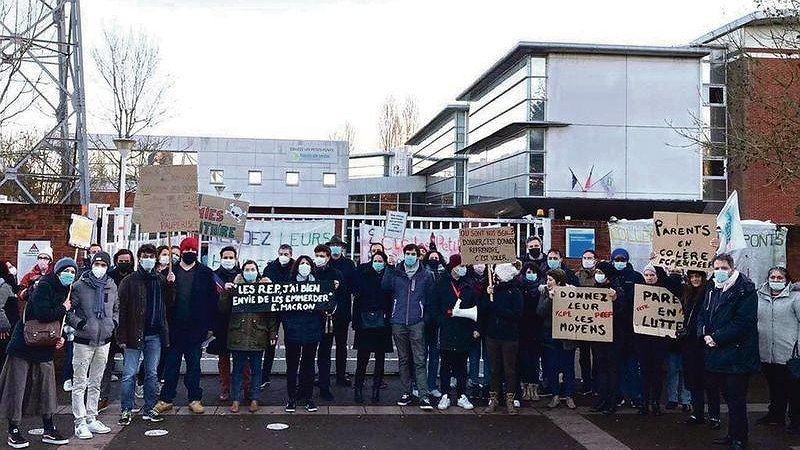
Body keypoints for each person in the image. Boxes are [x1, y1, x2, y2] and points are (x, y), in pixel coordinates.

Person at [0, 257, 76, 448]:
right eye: (67, 271)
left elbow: (58, 320)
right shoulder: (44, 285)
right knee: (16, 389)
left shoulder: (66, 290)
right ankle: (14, 430)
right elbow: (42, 313)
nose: (70, 275)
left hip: (45, 346)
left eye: (73, 272)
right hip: (24, 345)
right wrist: (63, 308)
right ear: (57, 271)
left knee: (47, 389)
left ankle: (49, 428)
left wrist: (60, 335)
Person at [698, 253, 759, 450]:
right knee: (728, 398)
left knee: (736, 400)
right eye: (716, 268)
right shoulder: (712, 288)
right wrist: (704, 333)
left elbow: (743, 323)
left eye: (723, 268)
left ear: (732, 268)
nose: (720, 271)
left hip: (737, 355)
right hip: (718, 354)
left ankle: (740, 438)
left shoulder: (745, 290)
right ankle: (732, 434)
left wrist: (717, 337)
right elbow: (704, 313)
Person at [154, 236, 217, 415]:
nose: (190, 253)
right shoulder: (169, 273)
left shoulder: (205, 273)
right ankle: (166, 399)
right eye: (186, 250)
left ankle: (194, 399)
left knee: (194, 366)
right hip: (174, 329)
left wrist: (210, 327)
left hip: (196, 330)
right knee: (171, 365)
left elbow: (212, 301)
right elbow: (162, 301)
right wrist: (168, 284)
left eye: (193, 250)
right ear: (181, 252)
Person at [117, 244, 171, 427]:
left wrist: (172, 284)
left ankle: (149, 408)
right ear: (139, 258)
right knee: (129, 374)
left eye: (151, 256)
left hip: (154, 335)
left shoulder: (161, 280)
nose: (148, 258)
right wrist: (122, 337)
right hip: (133, 334)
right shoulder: (129, 281)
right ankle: (126, 409)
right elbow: (121, 310)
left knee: (152, 374)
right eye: (145, 255)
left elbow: (169, 303)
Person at [67, 252, 117, 440]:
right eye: (97, 263)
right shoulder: (79, 286)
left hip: (104, 340)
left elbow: (116, 307)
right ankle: (79, 421)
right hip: (83, 340)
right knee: (80, 382)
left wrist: (113, 324)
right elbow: (69, 310)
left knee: (96, 382)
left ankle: (91, 416)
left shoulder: (111, 286)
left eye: (103, 264)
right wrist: (80, 324)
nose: (100, 267)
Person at [382, 243, 437, 410]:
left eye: (413, 253)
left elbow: (431, 299)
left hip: (417, 321)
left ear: (418, 256)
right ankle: (406, 392)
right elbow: (385, 286)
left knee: (420, 359)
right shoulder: (396, 273)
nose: (410, 256)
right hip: (398, 321)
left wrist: (424, 318)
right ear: (403, 254)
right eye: (408, 253)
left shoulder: (426, 275)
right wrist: (389, 268)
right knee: (404, 359)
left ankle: (423, 395)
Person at [219, 260, 278, 413]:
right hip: (238, 335)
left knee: (256, 370)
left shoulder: (264, 289)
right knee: (237, 370)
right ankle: (236, 399)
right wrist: (226, 292)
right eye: (247, 269)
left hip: (258, 335)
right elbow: (223, 309)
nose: (250, 271)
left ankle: (254, 398)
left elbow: (271, 315)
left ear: (257, 271)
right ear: (242, 272)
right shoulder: (235, 288)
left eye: (253, 269)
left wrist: (272, 333)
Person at [281, 256, 335, 413]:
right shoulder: (289, 284)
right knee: (292, 366)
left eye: (307, 264)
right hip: (293, 331)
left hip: (312, 330)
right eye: (302, 263)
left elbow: (327, 306)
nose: (304, 266)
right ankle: (291, 399)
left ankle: (308, 398)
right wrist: (289, 326)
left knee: (309, 365)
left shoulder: (318, 285)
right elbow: (282, 309)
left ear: (312, 267)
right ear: (297, 266)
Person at [756, 266, 800, 432]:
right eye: (772, 277)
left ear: (786, 280)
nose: (775, 280)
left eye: (779, 278)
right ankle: (775, 415)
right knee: (774, 386)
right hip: (767, 351)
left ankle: (796, 421)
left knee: (793, 390)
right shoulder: (759, 296)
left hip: (789, 353)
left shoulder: (795, 298)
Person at [634, 263, 681, 416]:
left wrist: (660, 265)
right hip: (642, 339)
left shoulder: (665, 289)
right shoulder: (638, 290)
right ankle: (644, 402)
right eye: (647, 275)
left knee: (657, 372)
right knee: (644, 372)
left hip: (660, 339)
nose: (649, 278)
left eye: (652, 275)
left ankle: (655, 402)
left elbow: (676, 290)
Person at [434, 254, 477, 411]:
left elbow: (475, 306)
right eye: (460, 266)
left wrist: (474, 328)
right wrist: (444, 316)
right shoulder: (441, 284)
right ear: (452, 267)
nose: (463, 269)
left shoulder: (468, 285)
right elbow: (435, 305)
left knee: (461, 365)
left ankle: (461, 395)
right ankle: (445, 394)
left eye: (464, 266)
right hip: (447, 328)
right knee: (446, 364)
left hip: (463, 329)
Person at [351, 251, 393, 404]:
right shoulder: (363, 273)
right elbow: (356, 297)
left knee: (380, 359)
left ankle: (376, 390)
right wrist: (356, 322)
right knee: (362, 359)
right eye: (375, 260)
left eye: (381, 260)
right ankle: (358, 388)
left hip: (383, 323)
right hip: (365, 323)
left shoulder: (389, 275)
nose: (378, 262)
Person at [98, 248, 136, 409]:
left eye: (127, 261)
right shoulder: (108, 278)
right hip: (110, 327)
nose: (124, 264)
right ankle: (102, 397)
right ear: (115, 262)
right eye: (121, 261)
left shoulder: (136, 278)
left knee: (130, 368)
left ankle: (128, 400)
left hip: (129, 327)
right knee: (105, 365)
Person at [483, 263, 523, 415]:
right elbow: (484, 309)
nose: (495, 277)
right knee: (494, 369)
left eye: (497, 275)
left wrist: (497, 309)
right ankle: (493, 399)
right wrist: (487, 297)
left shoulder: (515, 292)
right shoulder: (492, 291)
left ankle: (510, 400)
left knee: (509, 370)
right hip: (493, 335)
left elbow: (517, 315)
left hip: (509, 337)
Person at [539, 268, 578, 410]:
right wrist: (550, 299)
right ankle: (555, 395)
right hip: (550, 336)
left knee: (568, 367)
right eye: (547, 279)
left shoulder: (572, 292)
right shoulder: (544, 292)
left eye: (550, 280)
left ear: (559, 281)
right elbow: (540, 312)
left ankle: (569, 396)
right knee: (552, 367)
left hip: (567, 336)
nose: (548, 282)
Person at [610, 248, 644, 409]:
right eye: (616, 259)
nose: (619, 261)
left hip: (632, 328)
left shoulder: (636, 277)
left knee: (632, 364)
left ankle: (635, 395)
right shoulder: (610, 276)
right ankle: (620, 395)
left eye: (622, 258)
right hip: (614, 327)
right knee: (617, 364)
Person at [208, 246, 242, 402]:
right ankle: (225, 388)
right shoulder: (214, 276)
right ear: (220, 258)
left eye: (231, 257)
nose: (228, 260)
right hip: (221, 323)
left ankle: (245, 388)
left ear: (236, 258)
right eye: (225, 257)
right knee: (223, 359)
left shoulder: (242, 275)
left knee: (243, 359)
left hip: (241, 323)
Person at [590, 261, 623, 415]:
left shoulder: (617, 290)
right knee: (601, 369)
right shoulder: (596, 289)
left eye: (601, 272)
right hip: (598, 336)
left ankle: (611, 401)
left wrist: (616, 299)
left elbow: (623, 311)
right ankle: (602, 399)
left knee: (612, 370)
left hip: (613, 337)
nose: (598, 275)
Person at [313, 244, 344, 401]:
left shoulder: (336, 273)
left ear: (328, 257)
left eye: (322, 256)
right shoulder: (310, 272)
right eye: (317, 255)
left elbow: (341, 296)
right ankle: (306, 384)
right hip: (311, 319)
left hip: (327, 319)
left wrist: (336, 288)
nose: (319, 259)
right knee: (308, 354)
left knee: (324, 354)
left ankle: (325, 387)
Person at [261, 244, 294, 389]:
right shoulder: (270, 267)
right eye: (281, 253)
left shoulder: (296, 267)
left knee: (291, 342)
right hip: (273, 310)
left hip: (289, 310)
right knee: (270, 343)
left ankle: (291, 375)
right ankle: (265, 376)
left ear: (291, 254)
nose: (283, 256)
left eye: (286, 254)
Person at [326, 236, 356, 388]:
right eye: (333, 245)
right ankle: (323, 376)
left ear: (342, 248)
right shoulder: (325, 262)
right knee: (324, 345)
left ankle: (340, 375)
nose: (336, 248)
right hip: (325, 312)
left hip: (343, 310)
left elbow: (353, 287)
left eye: (338, 245)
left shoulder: (349, 264)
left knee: (341, 345)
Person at [518, 261, 544, 402]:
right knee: (524, 358)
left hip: (537, 329)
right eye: (528, 272)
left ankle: (534, 385)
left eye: (533, 272)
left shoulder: (542, 289)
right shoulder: (519, 286)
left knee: (534, 359)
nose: (531, 275)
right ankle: (525, 385)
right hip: (522, 328)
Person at [422, 250, 446, 398]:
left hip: (439, 320)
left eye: (436, 257)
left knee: (435, 355)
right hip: (424, 318)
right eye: (431, 257)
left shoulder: (445, 275)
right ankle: (419, 384)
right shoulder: (423, 274)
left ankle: (432, 385)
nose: (434, 259)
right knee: (421, 355)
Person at [575, 250, 598, 395]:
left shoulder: (600, 276)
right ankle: (586, 382)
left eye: (590, 258)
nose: (587, 260)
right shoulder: (577, 276)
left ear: (595, 260)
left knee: (597, 354)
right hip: (581, 321)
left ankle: (596, 382)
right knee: (583, 355)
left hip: (597, 321)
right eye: (585, 258)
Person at [467, 263, 491, 400]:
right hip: (472, 321)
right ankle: (474, 383)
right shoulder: (468, 279)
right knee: (474, 356)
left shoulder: (492, 279)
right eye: (477, 263)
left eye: (482, 263)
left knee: (488, 357)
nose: (479, 266)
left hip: (488, 324)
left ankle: (487, 384)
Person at [0, 262, 19, 375]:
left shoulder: (7, 284)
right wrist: (4, 327)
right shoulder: (4, 287)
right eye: (10, 267)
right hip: (6, 331)